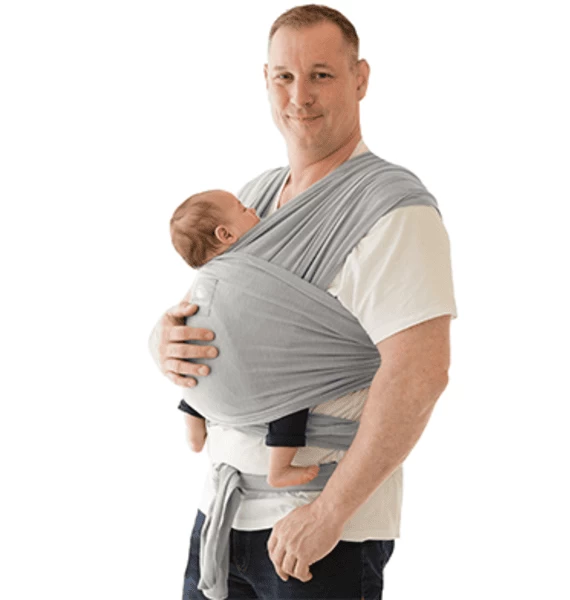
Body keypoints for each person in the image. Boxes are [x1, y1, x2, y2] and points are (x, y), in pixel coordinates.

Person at [148, 5, 457, 599]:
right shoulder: (254, 197)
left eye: (321, 74)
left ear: (360, 78)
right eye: (284, 76)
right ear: (264, 81)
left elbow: (420, 373)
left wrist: (328, 514)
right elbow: (213, 315)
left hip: (318, 530)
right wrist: (165, 342)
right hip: (221, 515)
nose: (300, 96)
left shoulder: (394, 210)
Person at [170, 189, 320, 489]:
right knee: (293, 394)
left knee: (195, 371)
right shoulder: (258, 257)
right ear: (225, 234)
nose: (253, 208)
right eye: (242, 209)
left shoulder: (208, 275)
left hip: (211, 356)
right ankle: (279, 468)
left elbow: (187, 309)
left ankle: (194, 428)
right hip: (254, 358)